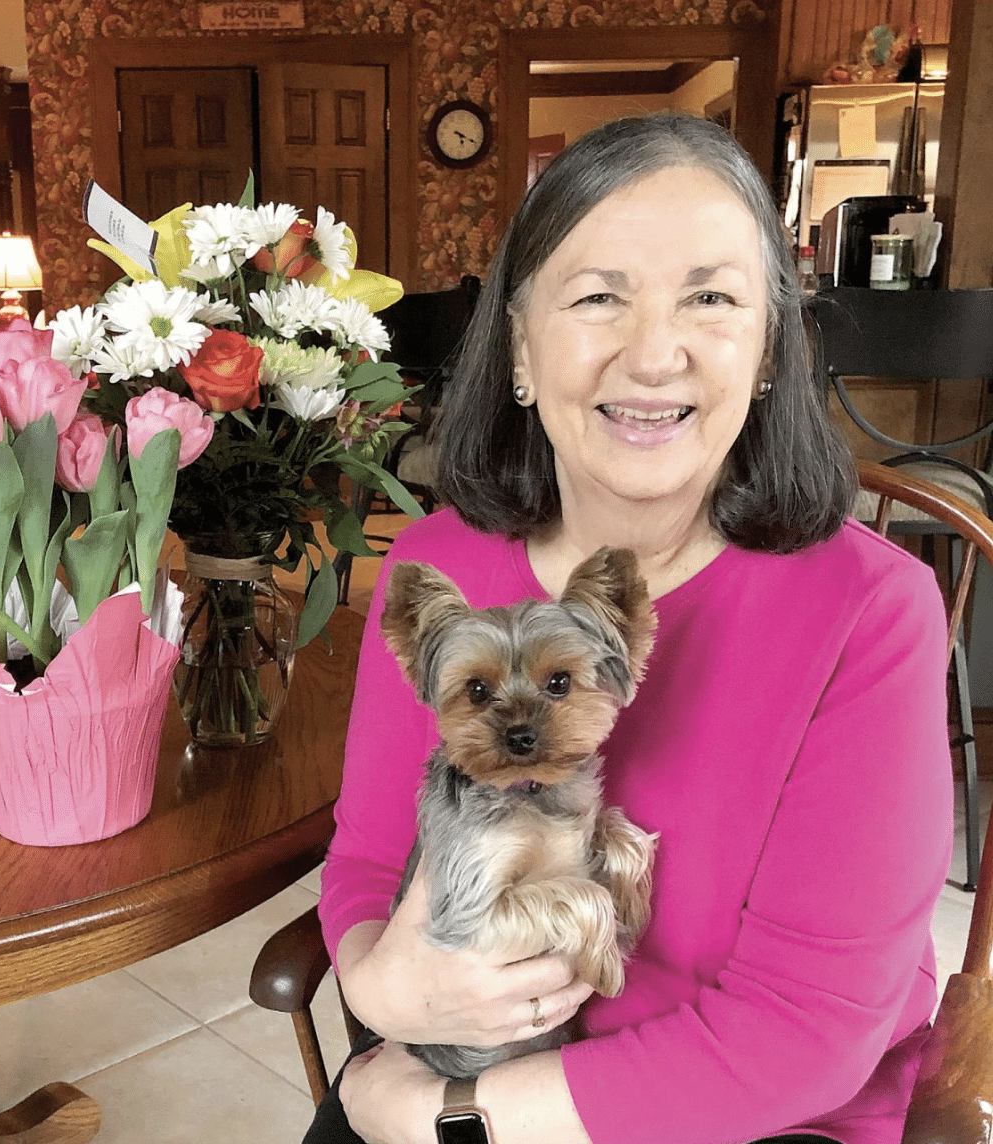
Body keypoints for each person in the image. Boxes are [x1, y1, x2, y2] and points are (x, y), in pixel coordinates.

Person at [304, 113, 954, 1144]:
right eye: (598, 296)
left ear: (770, 347)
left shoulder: (869, 613)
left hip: (754, 1120)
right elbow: (370, 864)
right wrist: (388, 997)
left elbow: (805, 1032)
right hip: (466, 1064)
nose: (654, 355)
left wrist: (446, 1115)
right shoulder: (441, 569)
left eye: (710, 297)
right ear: (519, 343)